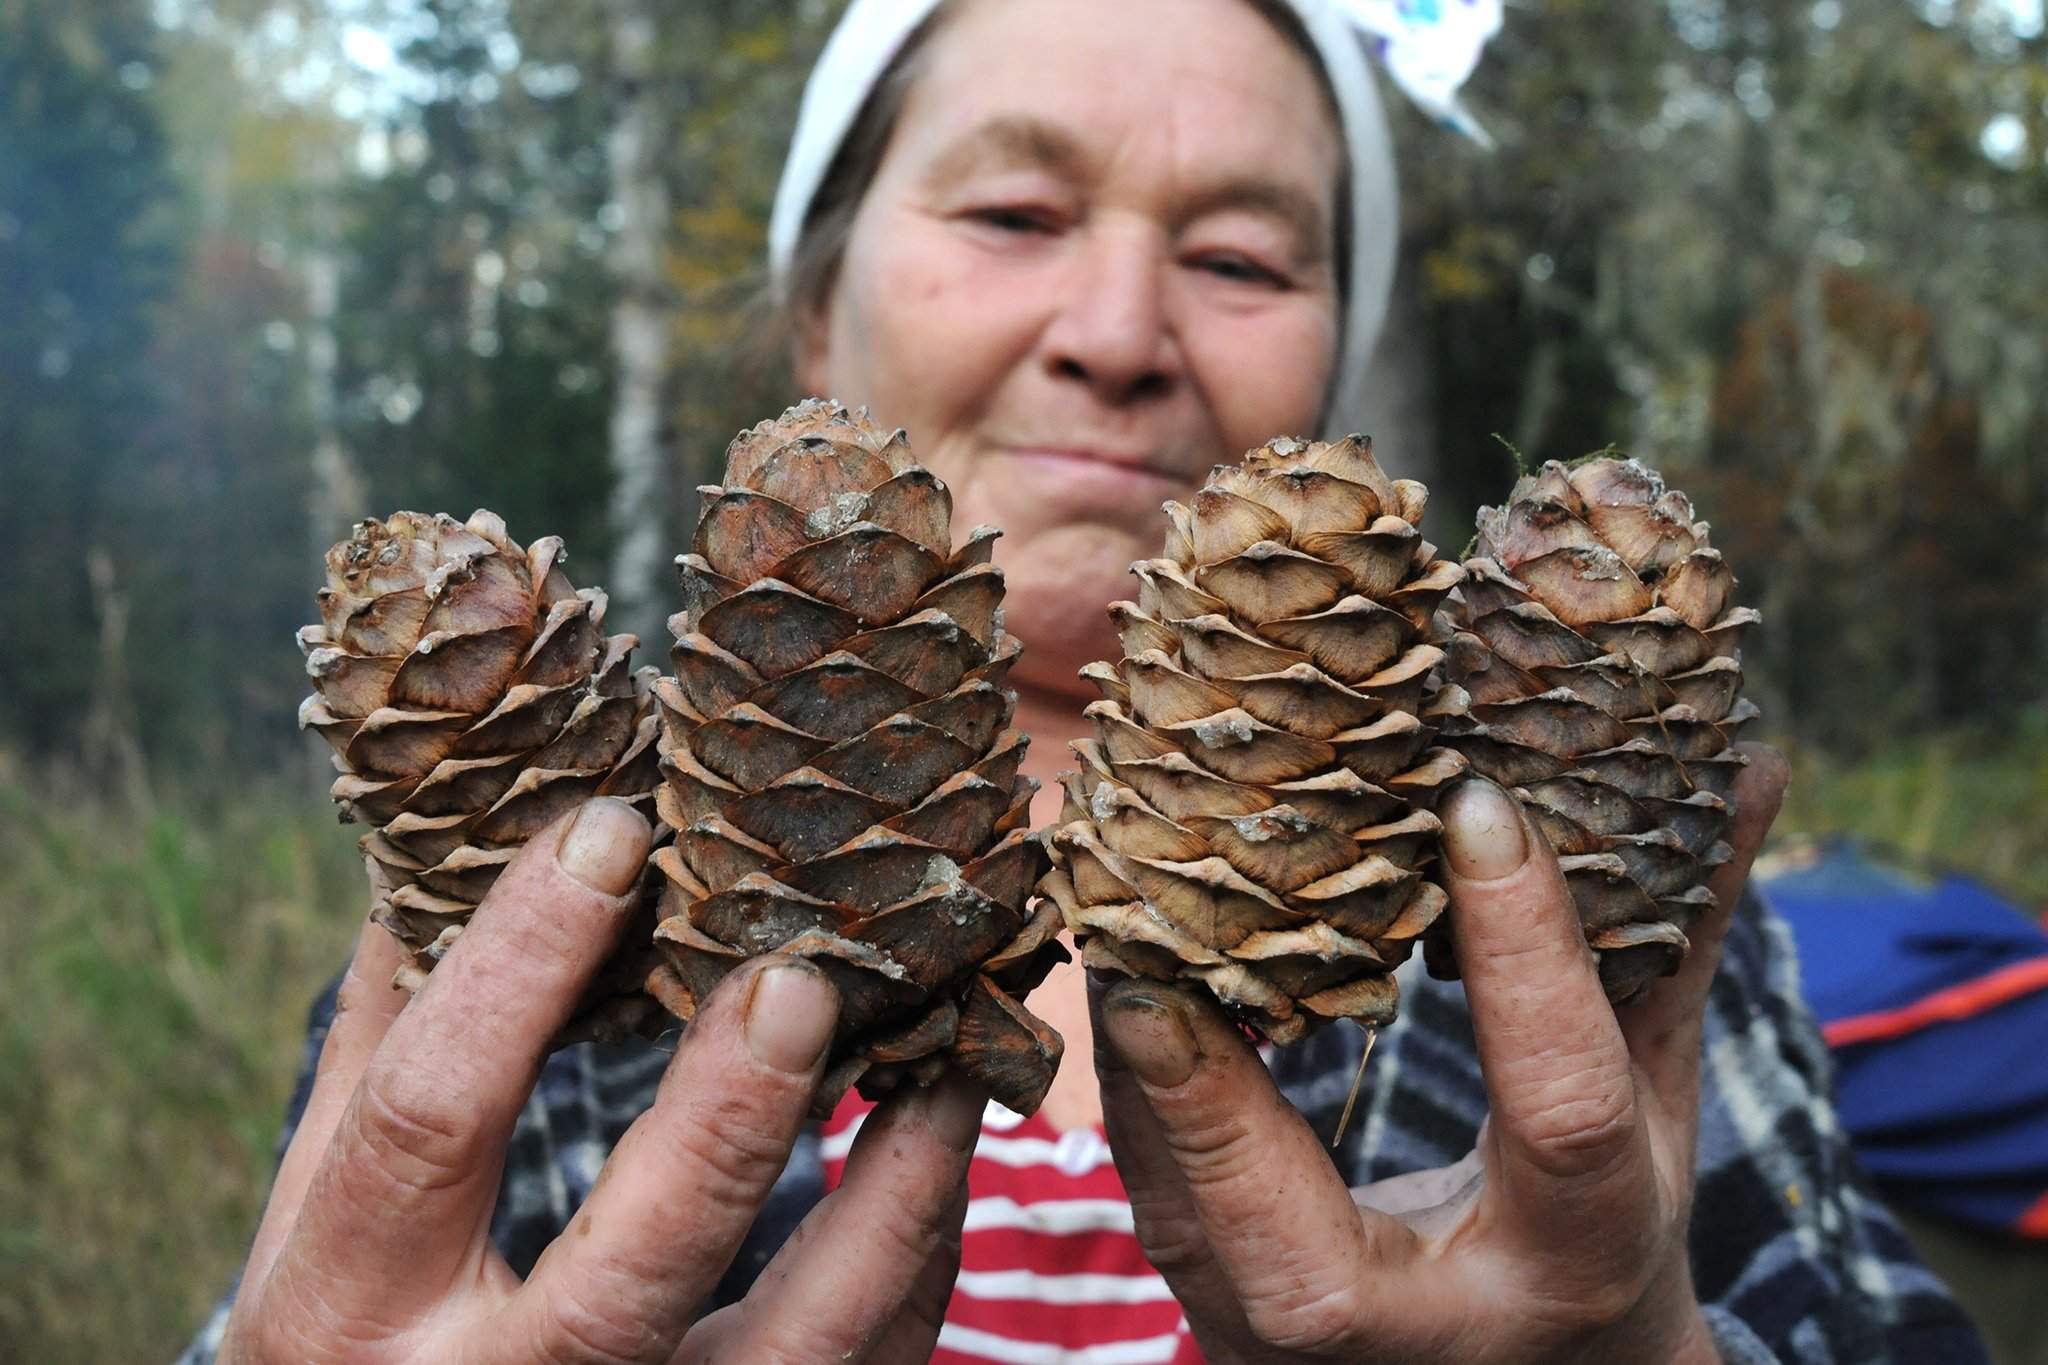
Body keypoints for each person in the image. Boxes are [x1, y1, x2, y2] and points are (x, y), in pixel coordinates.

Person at [182, 1, 1989, 1361]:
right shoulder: (546, 926)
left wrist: (1652, 1347)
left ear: (1335, 359)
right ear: (821, 309)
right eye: (1017, 212)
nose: (1120, 337)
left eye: (1240, 255)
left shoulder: (1591, 955)